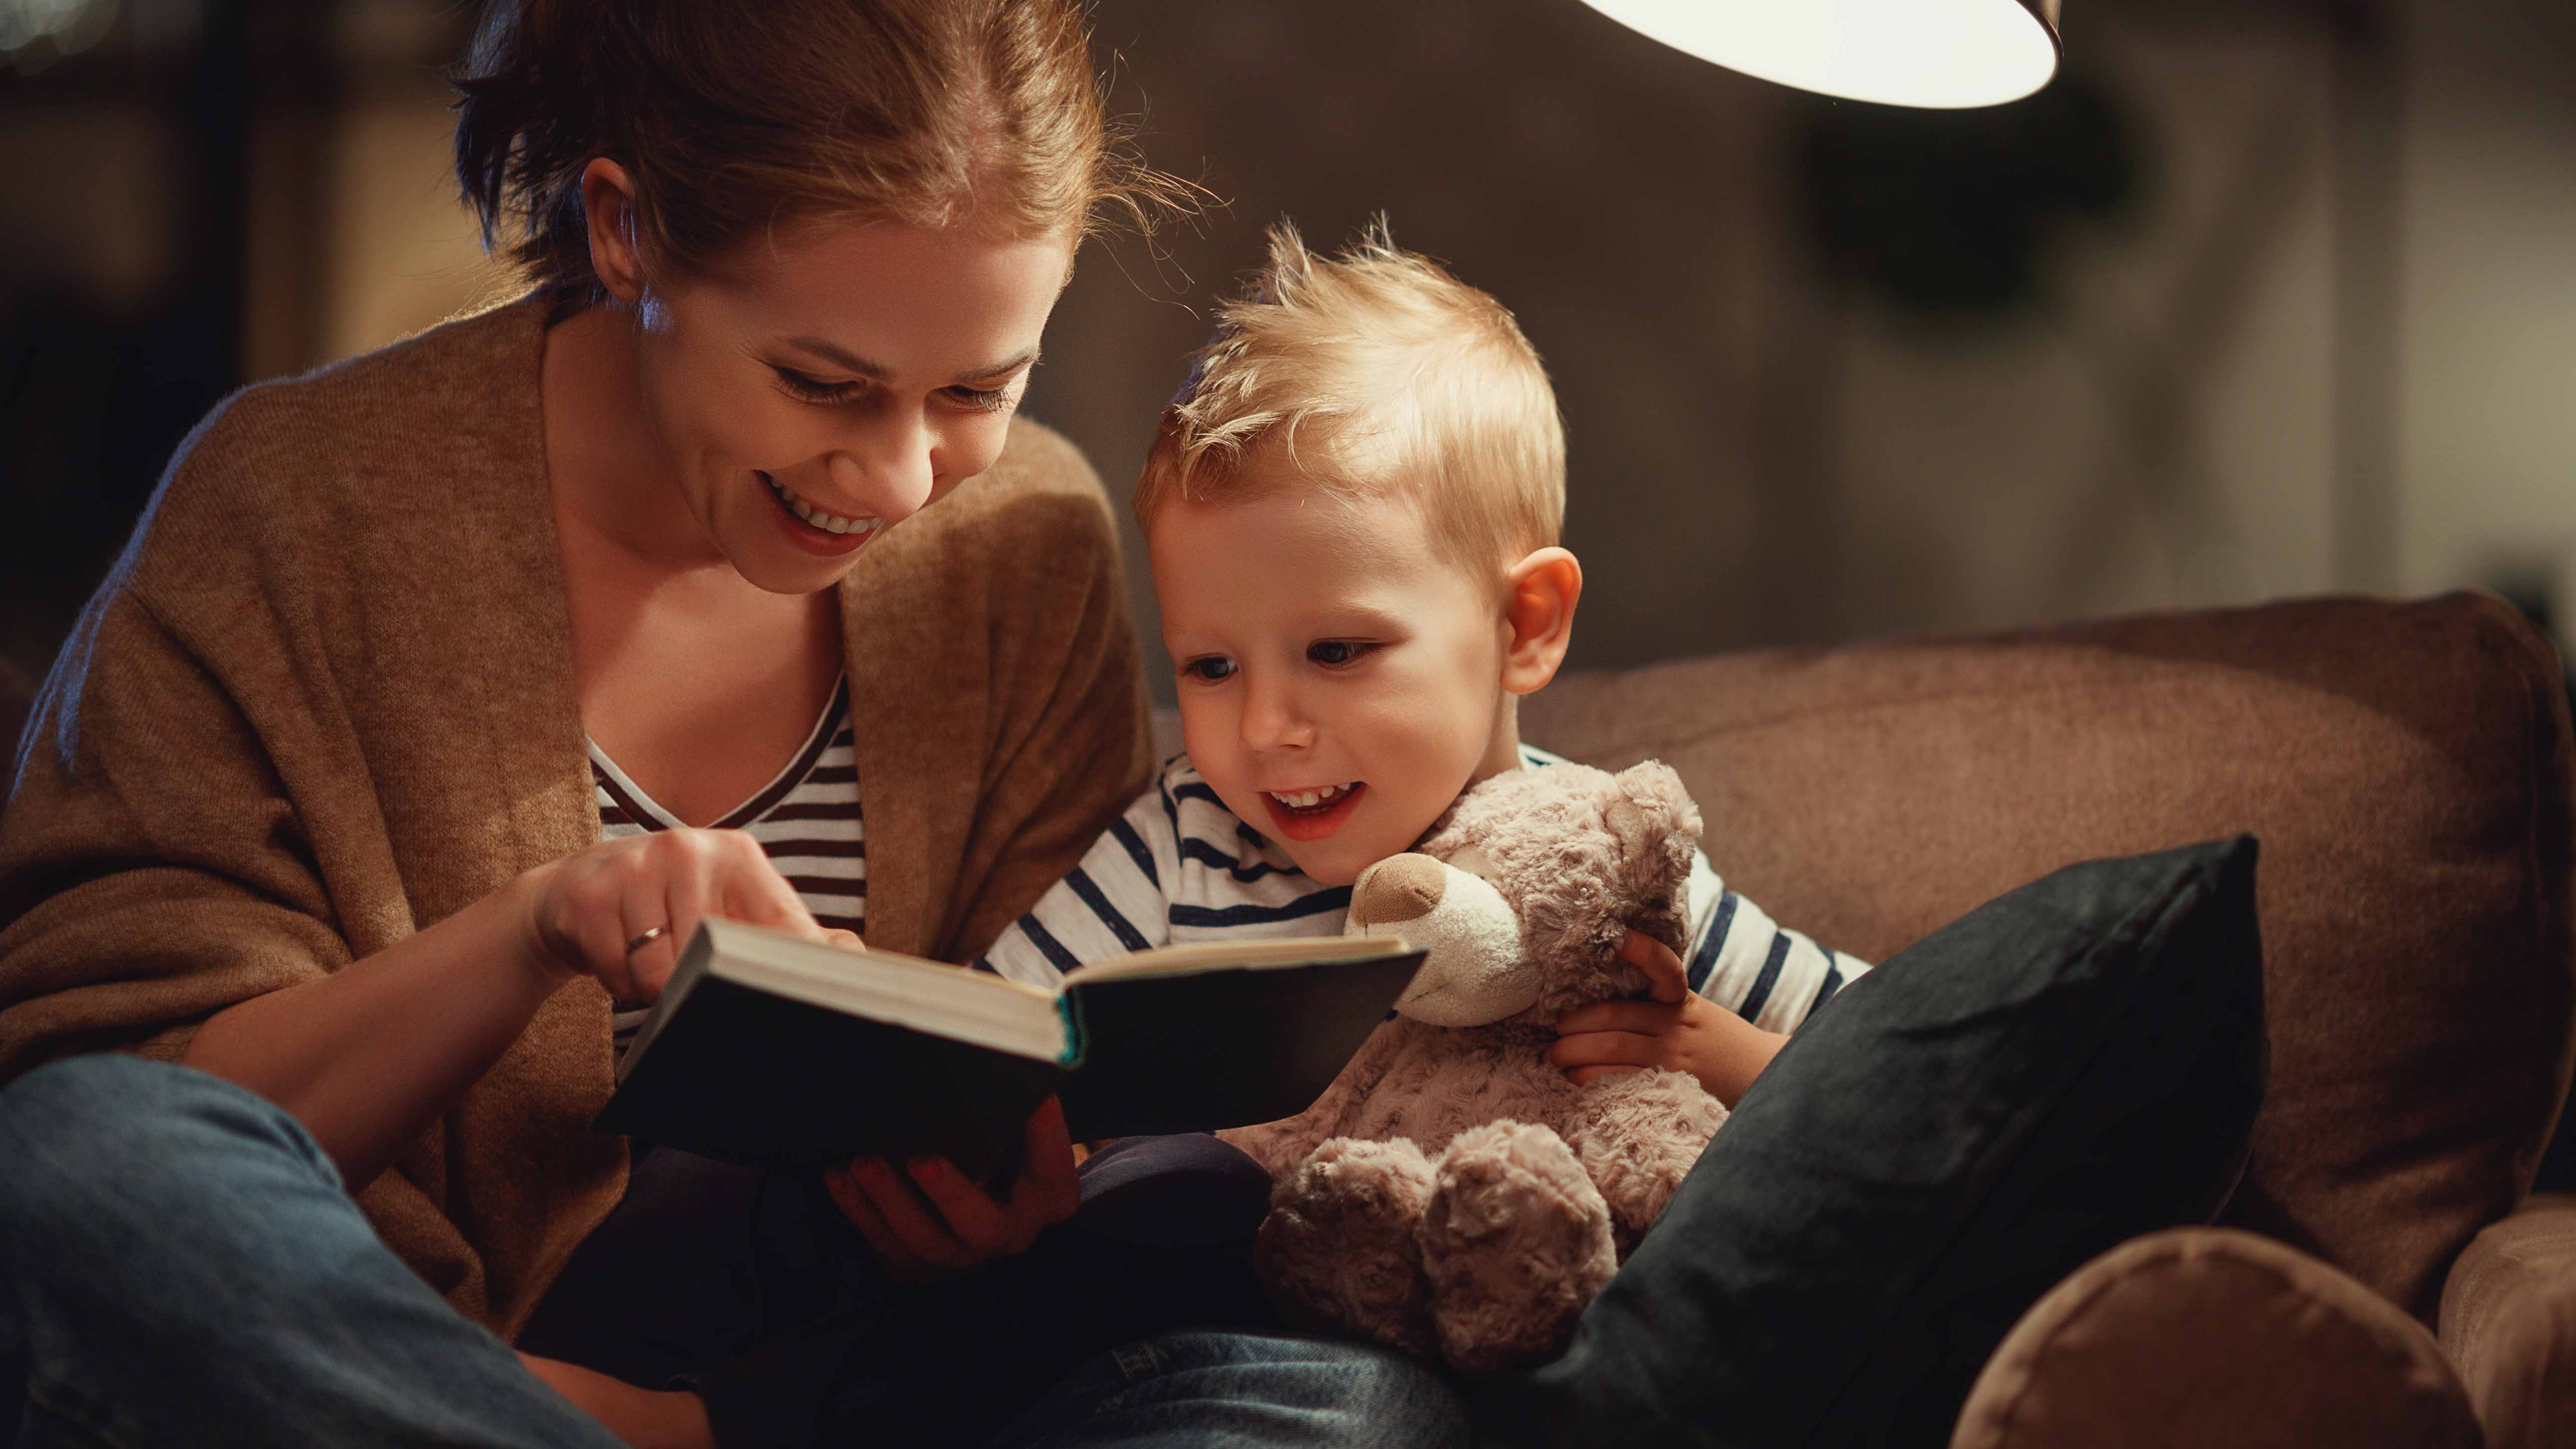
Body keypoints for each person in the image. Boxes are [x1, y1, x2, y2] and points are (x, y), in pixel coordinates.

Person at [0, 3, 1465, 1446]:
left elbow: (1049, 1084)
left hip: (861, 1394)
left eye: (976, 390)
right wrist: (539, 930)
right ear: (625, 233)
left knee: (1348, 1401)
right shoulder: (296, 505)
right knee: (78, 1169)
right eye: (822, 383)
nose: (898, 479)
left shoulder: (1022, 539)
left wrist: (1008, 1196)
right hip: (385, 1359)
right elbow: (144, 1120)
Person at [977, 220, 1872, 1106]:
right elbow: (987, 1044)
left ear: (1524, 625)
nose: (1264, 729)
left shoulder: (1609, 861)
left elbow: (1902, 1059)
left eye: (1336, 651)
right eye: (1211, 667)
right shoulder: (1184, 851)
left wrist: (1739, 1060)